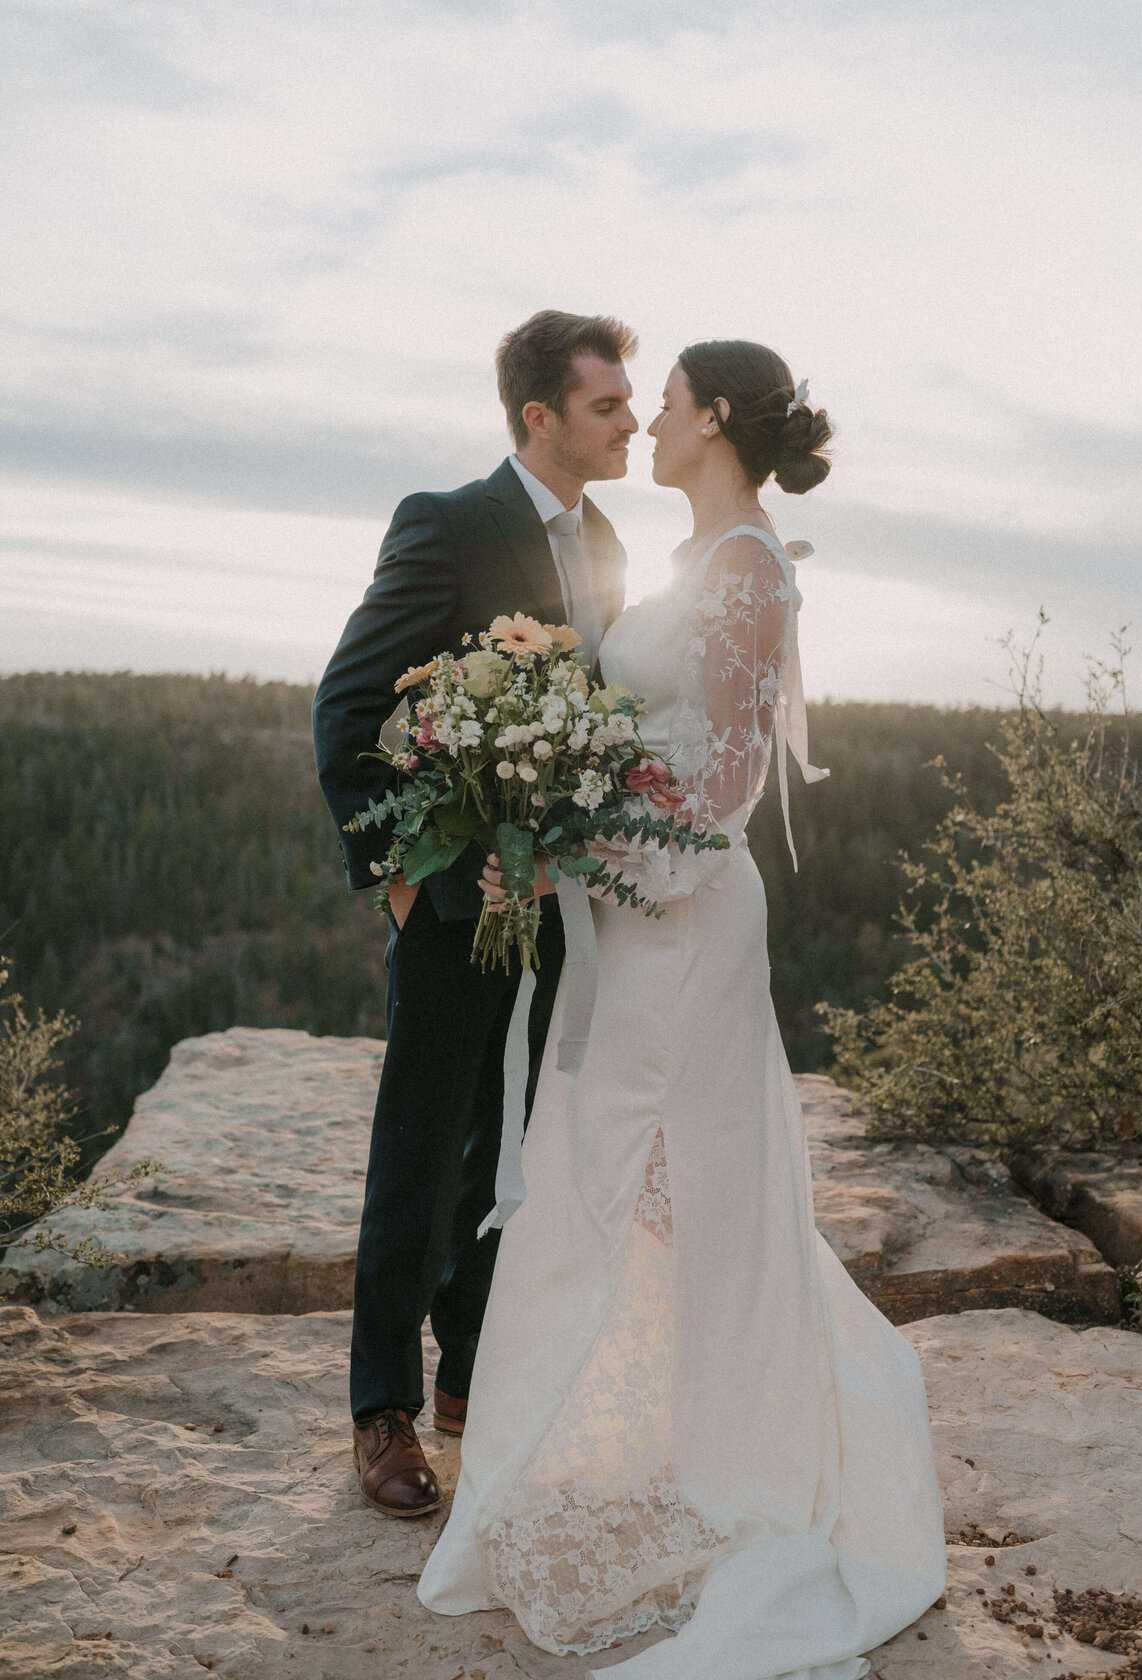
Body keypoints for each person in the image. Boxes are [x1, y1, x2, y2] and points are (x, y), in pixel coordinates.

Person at [417, 341, 947, 1679]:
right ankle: (589, 1449)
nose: (646, 419)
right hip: (628, 930)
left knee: (701, 1194)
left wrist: (569, 835)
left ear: (713, 418)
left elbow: (720, 786)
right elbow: (638, 743)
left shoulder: (754, 568)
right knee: (601, 1181)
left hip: (690, 925)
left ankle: (750, 1463)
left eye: (663, 403)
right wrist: (532, 815)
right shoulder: (688, 564)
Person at [312, 309, 638, 1518]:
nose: (631, 419)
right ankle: (381, 1407)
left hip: (563, 905)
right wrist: (403, 874)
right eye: (608, 404)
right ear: (538, 416)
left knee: (514, 1140)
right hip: (453, 900)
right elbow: (345, 711)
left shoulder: (605, 537)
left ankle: (472, 1378)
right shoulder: (446, 522)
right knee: (424, 1139)